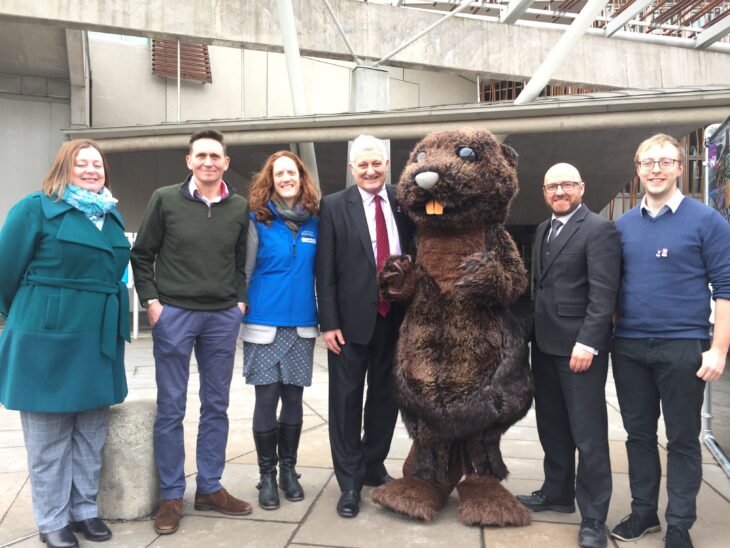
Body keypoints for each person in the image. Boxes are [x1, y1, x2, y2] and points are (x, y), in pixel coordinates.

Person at [0, 140, 130, 548]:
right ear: (64, 167)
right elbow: (5, 274)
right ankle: (52, 518)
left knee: (91, 431)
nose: (92, 170)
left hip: (98, 337)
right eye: (82, 163)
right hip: (47, 336)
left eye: (97, 164)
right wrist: (34, 315)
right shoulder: (35, 208)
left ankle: (84, 509)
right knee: (49, 436)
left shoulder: (110, 215)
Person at [610, 134, 730, 548]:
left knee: (682, 438)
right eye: (648, 162)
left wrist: (718, 348)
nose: (656, 169)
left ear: (680, 168)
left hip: (683, 346)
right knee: (638, 435)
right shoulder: (621, 226)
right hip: (628, 347)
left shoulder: (707, 221)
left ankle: (679, 522)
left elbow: (726, 288)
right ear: (638, 169)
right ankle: (644, 513)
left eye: (665, 161)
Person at [130, 129, 252, 535]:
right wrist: (152, 302)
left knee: (216, 405)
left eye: (215, 156)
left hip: (221, 316)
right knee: (171, 408)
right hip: (175, 314)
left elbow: (241, 259)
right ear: (189, 161)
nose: (208, 162)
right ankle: (171, 495)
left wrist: (238, 301)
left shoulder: (238, 206)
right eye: (201, 156)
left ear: (226, 163)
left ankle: (210, 487)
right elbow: (142, 254)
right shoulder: (164, 199)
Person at [518, 163, 621, 548]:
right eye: (551, 186)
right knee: (552, 426)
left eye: (566, 185)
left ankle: (593, 515)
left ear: (581, 187)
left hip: (579, 350)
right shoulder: (544, 230)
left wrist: (589, 342)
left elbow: (604, 294)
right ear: (544, 192)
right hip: (545, 345)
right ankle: (557, 493)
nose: (559, 192)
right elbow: (543, 292)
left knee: (588, 434)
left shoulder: (599, 230)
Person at [316, 135, 412, 518]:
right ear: (351, 168)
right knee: (345, 402)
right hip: (350, 324)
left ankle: (373, 464)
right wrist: (329, 323)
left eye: (377, 163)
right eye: (362, 165)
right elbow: (324, 270)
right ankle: (349, 482)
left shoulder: (405, 203)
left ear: (386, 164)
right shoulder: (334, 206)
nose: (370, 171)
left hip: (396, 319)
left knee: (386, 398)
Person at [242, 151, 320, 510]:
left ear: (301, 178)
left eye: (292, 172)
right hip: (263, 322)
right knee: (266, 399)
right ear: (270, 179)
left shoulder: (316, 222)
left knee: (293, 401)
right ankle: (267, 476)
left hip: (302, 323)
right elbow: (244, 270)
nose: (286, 178)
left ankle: (289, 471)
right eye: (279, 173)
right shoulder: (257, 219)